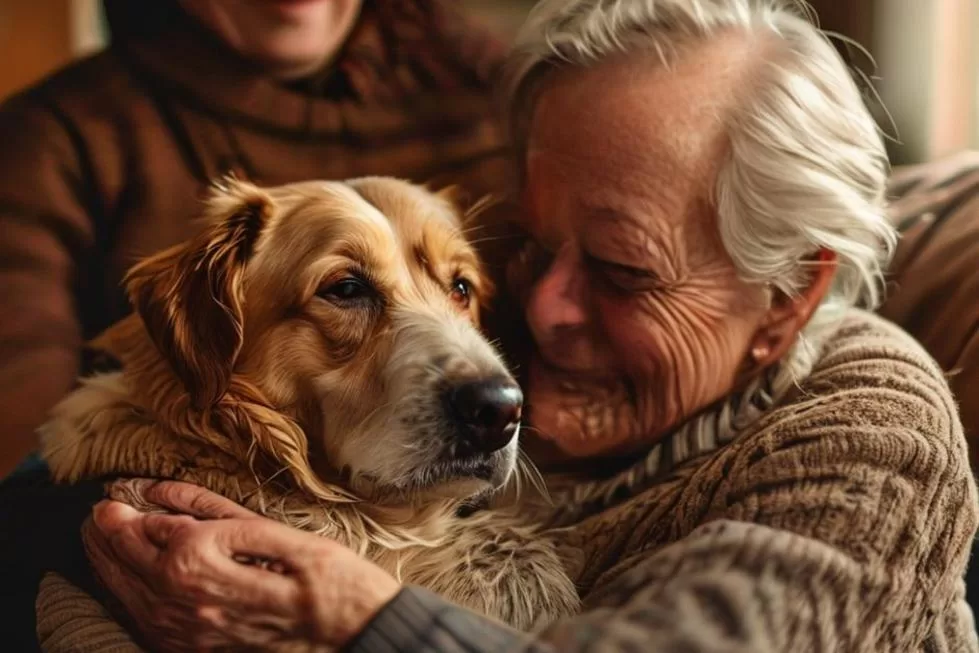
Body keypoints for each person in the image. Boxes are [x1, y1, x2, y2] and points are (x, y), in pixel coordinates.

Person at [31, 0, 979, 651]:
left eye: (622, 270)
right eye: (527, 248)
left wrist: (349, 611)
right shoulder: (523, 367)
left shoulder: (866, 425)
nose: (542, 310)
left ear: (786, 298)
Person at [0, 0, 509, 648]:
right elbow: (20, 455)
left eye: (458, 284)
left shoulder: (493, 90)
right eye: (347, 288)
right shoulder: (52, 136)